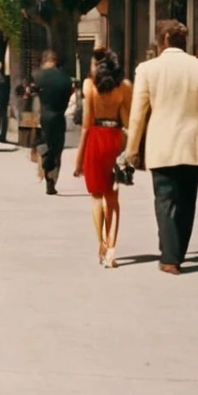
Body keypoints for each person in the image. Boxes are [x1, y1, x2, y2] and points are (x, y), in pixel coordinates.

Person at [124, 20, 198, 275]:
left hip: (161, 143)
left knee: (165, 199)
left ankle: (169, 255)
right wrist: (196, 120)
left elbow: (137, 115)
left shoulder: (147, 69)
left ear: (162, 40)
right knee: (188, 201)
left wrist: (131, 150)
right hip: (192, 142)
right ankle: (177, 252)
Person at [73, 48, 131, 268]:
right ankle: (112, 249)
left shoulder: (89, 87)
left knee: (97, 197)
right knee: (113, 199)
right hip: (115, 139)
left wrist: (78, 159)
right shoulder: (123, 87)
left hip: (96, 140)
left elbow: (86, 125)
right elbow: (126, 121)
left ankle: (101, 244)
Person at [33, 51, 73, 194]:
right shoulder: (66, 78)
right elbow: (69, 95)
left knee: (44, 144)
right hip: (59, 116)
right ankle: (53, 180)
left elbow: (27, 93)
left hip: (44, 115)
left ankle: (45, 166)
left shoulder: (38, 76)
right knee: (57, 149)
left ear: (44, 61)